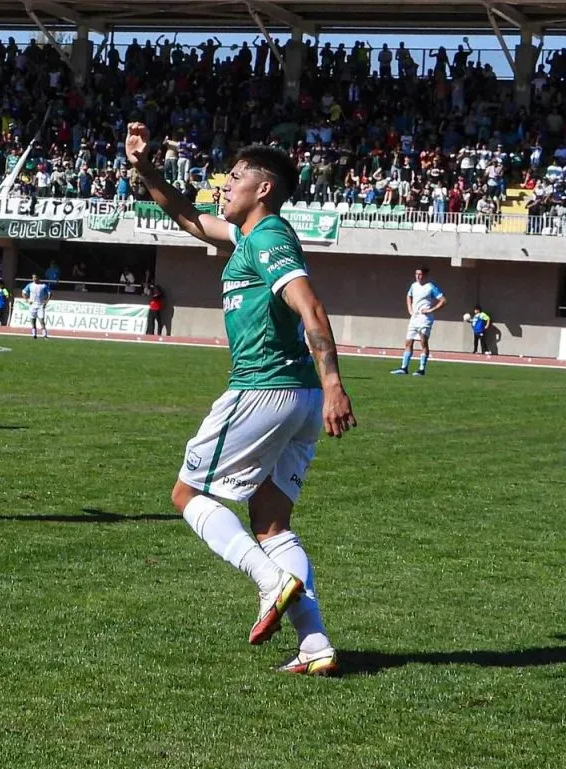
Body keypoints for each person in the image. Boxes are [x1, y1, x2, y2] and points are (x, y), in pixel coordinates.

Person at [126, 122, 357, 676]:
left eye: (233, 179)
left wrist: (335, 385)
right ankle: (315, 644)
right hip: (295, 397)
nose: (222, 187)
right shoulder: (247, 238)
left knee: (188, 494)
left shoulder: (270, 237)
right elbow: (186, 216)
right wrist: (145, 168)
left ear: (264, 189)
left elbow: (312, 308)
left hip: (265, 388)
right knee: (272, 525)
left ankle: (270, 581)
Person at [391, 267, 447, 376]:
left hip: (425, 319)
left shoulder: (430, 287)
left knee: (423, 342)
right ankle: (404, 368)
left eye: (420, 274)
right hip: (414, 318)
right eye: (416, 274)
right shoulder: (413, 286)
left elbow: (443, 300)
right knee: (408, 342)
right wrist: (409, 309)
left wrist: (431, 310)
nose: (417, 276)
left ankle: (421, 369)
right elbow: (408, 296)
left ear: (425, 275)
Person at [22, 273, 51, 339]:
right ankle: (34, 335)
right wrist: (27, 300)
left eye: (35, 277)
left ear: (38, 278)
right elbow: (23, 292)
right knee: (33, 321)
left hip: (40, 305)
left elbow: (50, 293)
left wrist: (46, 301)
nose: (34, 279)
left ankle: (45, 335)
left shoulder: (43, 286)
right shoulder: (30, 285)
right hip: (32, 306)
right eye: (33, 277)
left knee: (41, 321)